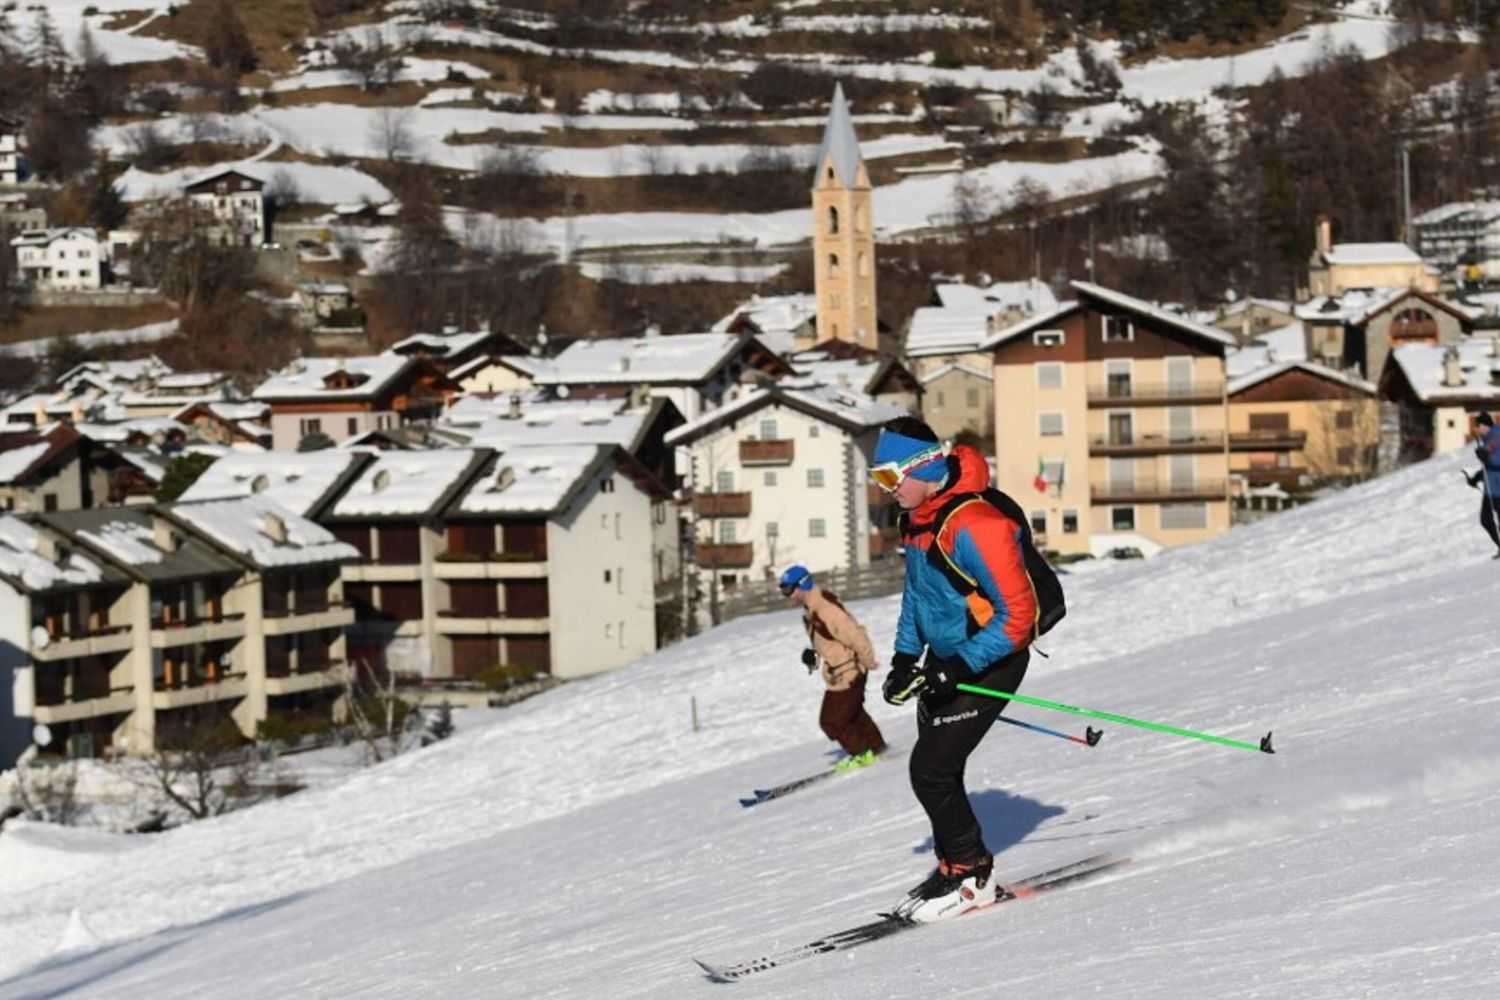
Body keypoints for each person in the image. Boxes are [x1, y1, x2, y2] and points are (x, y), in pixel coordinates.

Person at [870, 416, 1037, 923]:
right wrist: (905, 658)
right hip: (948, 660)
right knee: (940, 769)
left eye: (887, 477)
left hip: (992, 659)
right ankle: (954, 867)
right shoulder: (918, 518)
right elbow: (918, 596)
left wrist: (957, 665)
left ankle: (973, 876)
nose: (885, 490)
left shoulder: (977, 524)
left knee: (931, 769)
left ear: (922, 467)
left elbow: (1019, 617)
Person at [779, 564, 886, 771]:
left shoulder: (824, 609)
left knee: (832, 721)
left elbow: (853, 633)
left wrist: (868, 660)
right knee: (853, 714)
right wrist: (814, 655)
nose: (787, 596)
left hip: (849, 671)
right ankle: (877, 749)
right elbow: (828, 639)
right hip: (841, 671)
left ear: (802, 584)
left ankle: (863, 755)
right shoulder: (811, 609)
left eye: (788, 590)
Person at [1467, 411, 1500, 557]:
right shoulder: (1487, 439)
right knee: (1485, 519)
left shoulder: (1496, 437)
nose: (1476, 429)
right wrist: (1476, 478)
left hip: (1498, 487)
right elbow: (1487, 464)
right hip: (1490, 488)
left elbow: (1496, 461)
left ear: (1484, 425)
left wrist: (1486, 456)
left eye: (1478, 426)